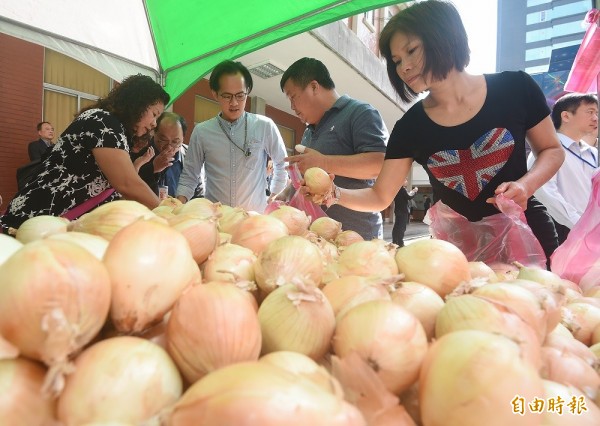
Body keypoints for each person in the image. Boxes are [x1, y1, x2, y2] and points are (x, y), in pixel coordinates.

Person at [303, 0, 564, 264]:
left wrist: (525, 185)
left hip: (528, 236)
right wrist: (334, 193)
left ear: (444, 36)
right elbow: (380, 196)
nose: (403, 67)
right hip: (455, 254)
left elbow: (552, 150)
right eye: (396, 61)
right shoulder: (410, 127)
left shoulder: (516, 88)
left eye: (411, 50)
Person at [1, 74, 169, 232]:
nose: (154, 123)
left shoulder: (116, 131)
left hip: (54, 226)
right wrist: (166, 213)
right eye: (154, 114)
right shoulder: (104, 122)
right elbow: (126, 182)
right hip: (35, 222)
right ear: (136, 103)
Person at [280, 57, 388, 240]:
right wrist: (287, 192)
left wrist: (324, 162)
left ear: (314, 86)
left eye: (293, 97)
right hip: (318, 237)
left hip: (355, 237)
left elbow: (379, 164)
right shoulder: (309, 130)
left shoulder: (360, 113)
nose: (292, 107)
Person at [176, 60, 288, 213]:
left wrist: (274, 198)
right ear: (215, 94)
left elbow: (282, 164)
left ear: (247, 92)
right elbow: (189, 175)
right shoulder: (202, 132)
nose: (234, 102)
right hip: (216, 221)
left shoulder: (264, 126)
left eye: (240, 95)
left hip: (253, 221)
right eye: (227, 96)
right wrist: (176, 206)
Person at [527, 93, 598, 244]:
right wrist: (579, 224)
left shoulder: (592, 153)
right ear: (566, 116)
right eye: (590, 112)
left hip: (591, 231)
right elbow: (545, 194)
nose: (595, 118)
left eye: (597, 113)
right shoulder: (545, 151)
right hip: (562, 230)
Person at [137, 112, 203, 199]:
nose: (169, 146)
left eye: (175, 142)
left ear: (183, 138)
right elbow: (130, 184)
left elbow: (198, 193)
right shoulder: (140, 150)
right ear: (154, 133)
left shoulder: (189, 155)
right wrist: (153, 168)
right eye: (163, 140)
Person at [392, 179, 418, 246]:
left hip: (398, 210)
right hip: (403, 211)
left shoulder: (397, 189)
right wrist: (415, 192)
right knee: (402, 227)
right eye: (405, 180)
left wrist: (411, 192)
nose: (407, 181)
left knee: (397, 226)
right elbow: (409, 197)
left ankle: (395, 241)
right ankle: (400, 243)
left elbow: (406, 196)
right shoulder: (402, 189)